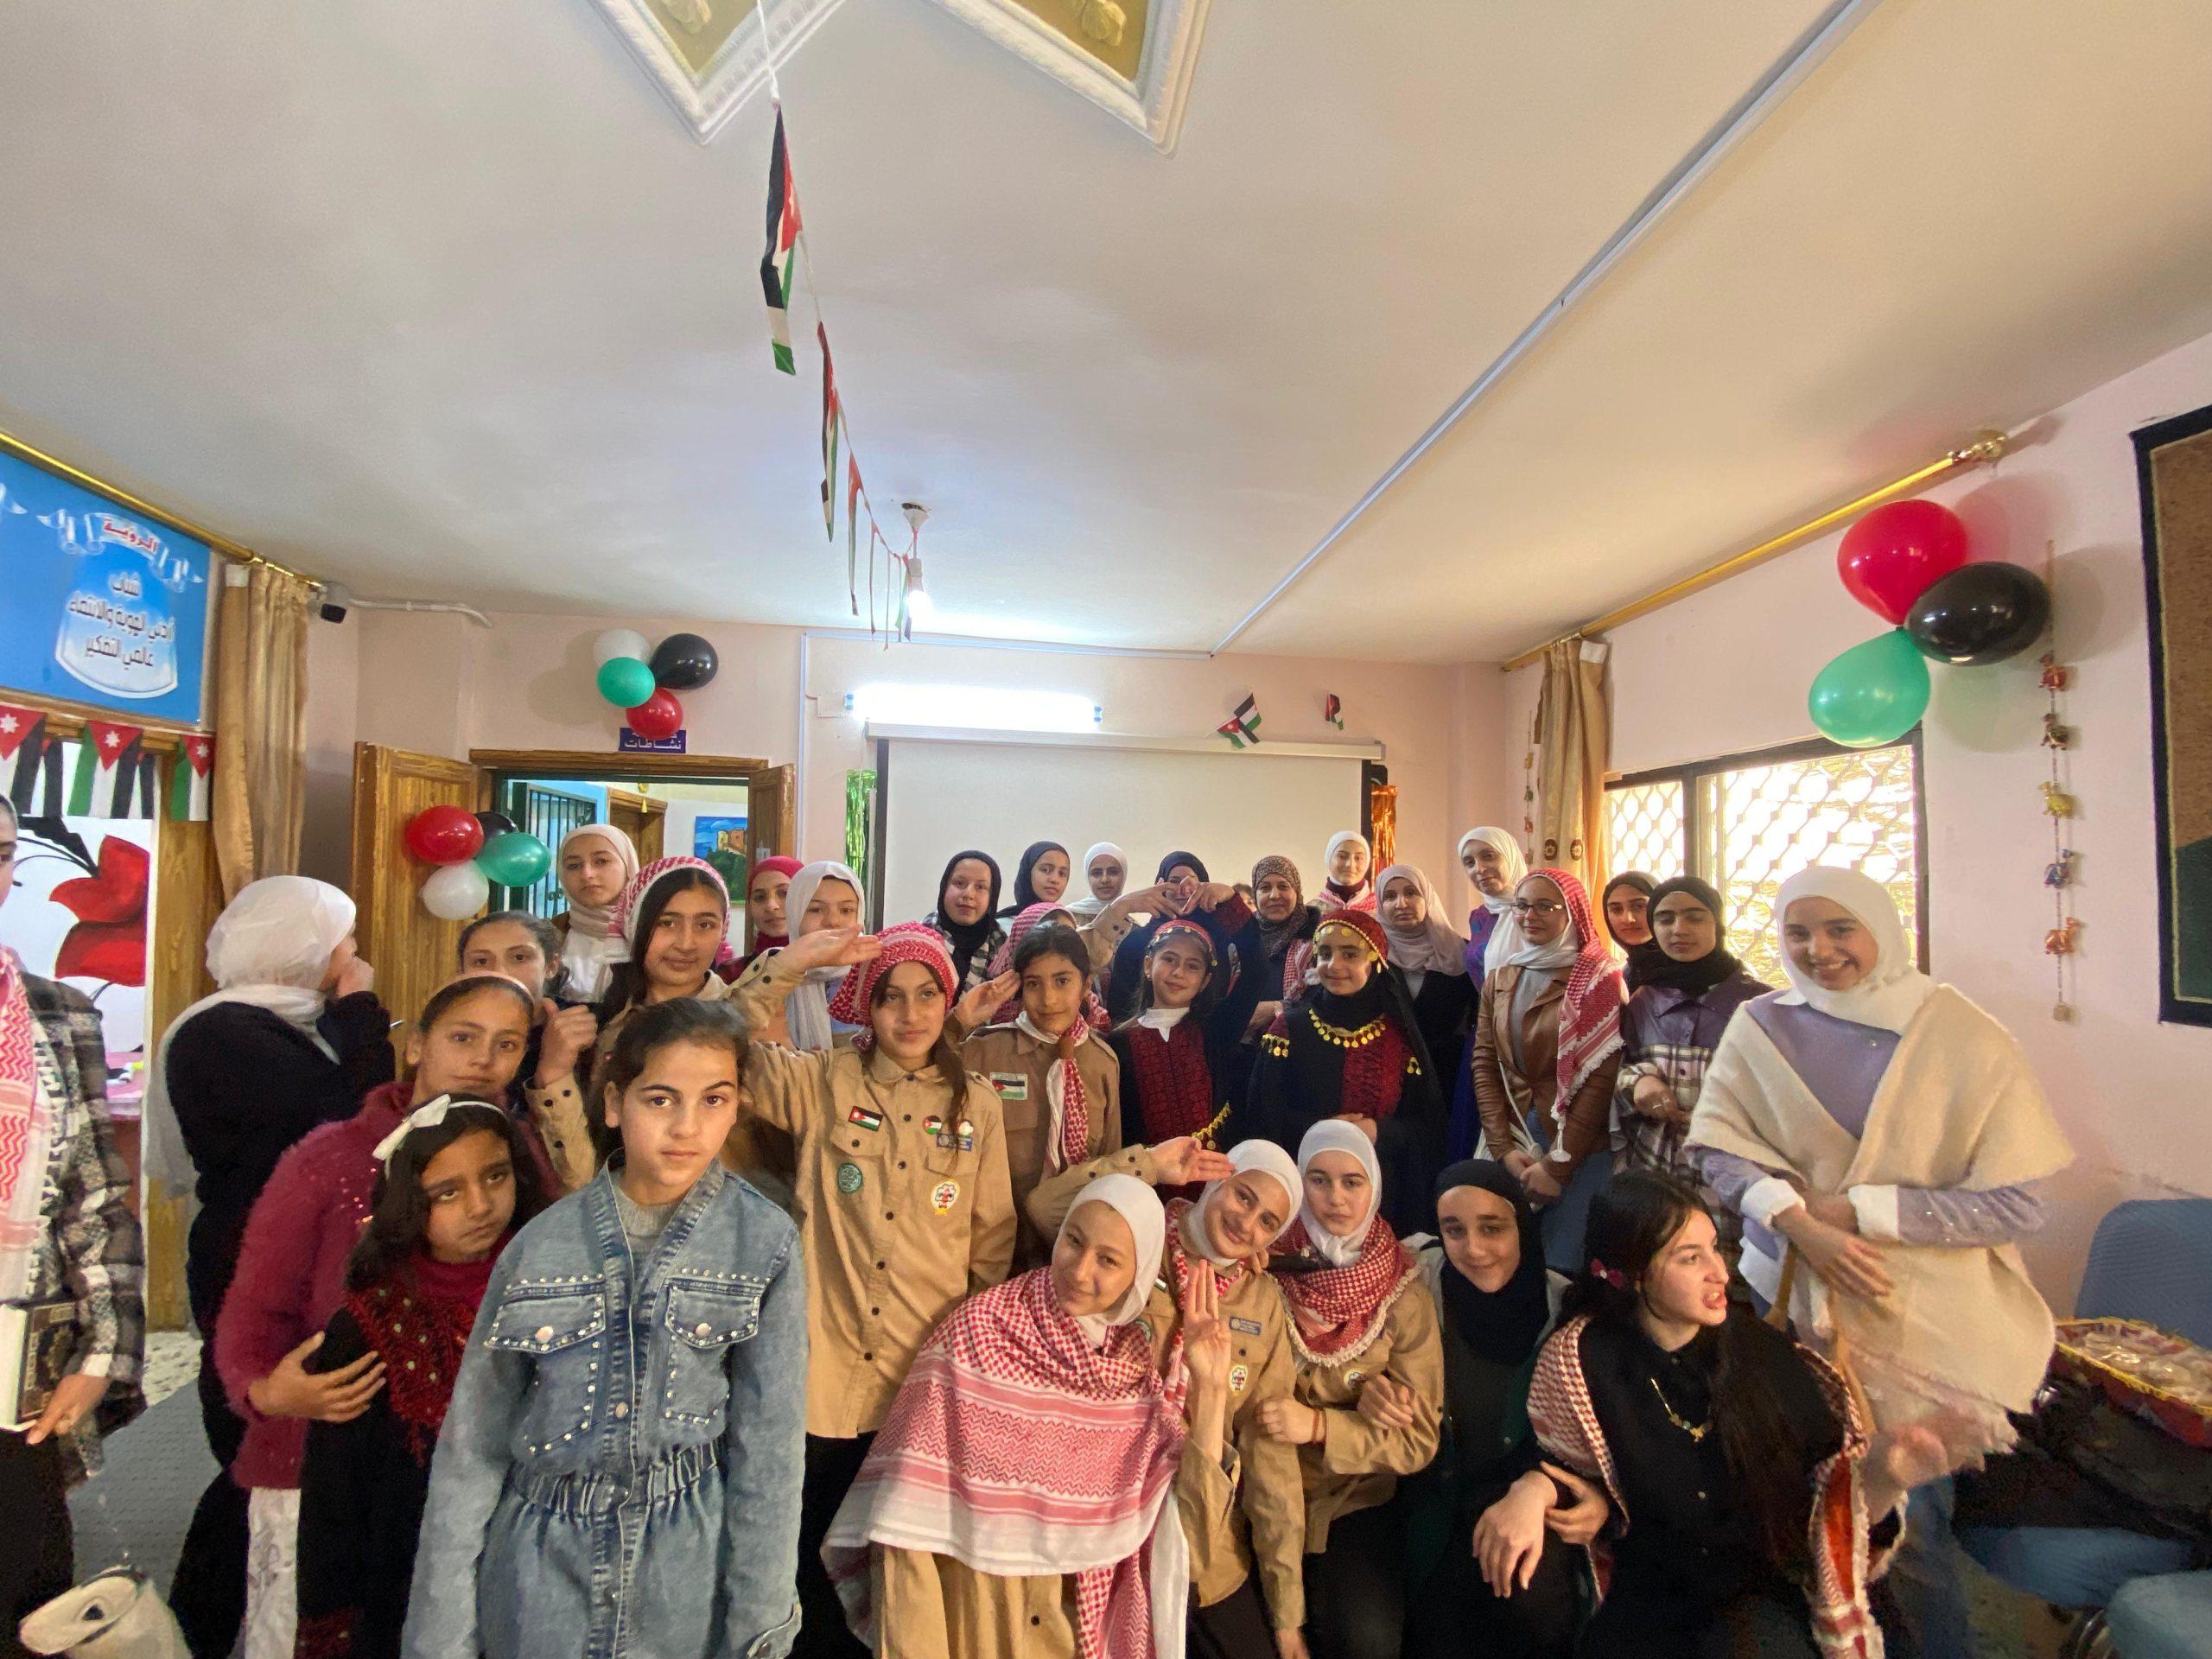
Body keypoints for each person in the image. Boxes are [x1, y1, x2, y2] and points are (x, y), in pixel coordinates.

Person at [1686, 864, 2074, 1655]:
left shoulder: (1959, 1034)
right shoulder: (1761, 1025)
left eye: (1840, 929)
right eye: (1798, 932)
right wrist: (1799, 1222)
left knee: (1907, 1536)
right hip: (1793, 1309)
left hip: (1923, 1327)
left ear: (1883, 931)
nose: (1818, 950)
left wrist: (1858, 1212)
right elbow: (1717, 1149)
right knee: (1806, 1508)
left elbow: (2017, 1205)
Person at [404, 999, 807, 1659]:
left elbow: (770, 1452)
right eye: (660, 1099)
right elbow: (472, 1450)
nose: (686, 1126)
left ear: (738, 1105)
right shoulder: (538, 1246)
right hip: (539, 1582)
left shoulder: (765, 1242)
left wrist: (760, 1628)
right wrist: (439, 1638)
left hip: (684, 1580)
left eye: (713, 1100)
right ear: (616, 1103)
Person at [218, 975, 535, 1659]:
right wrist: (270, 1392)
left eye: (507, 1044)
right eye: (464, 1037)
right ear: (417, 1045)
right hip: (318, 1468)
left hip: (478, 1497)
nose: (483, 1060)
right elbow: (252, 1315)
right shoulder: (328, 1159)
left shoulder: (516, 1158)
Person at [728, 922, 1019, 1658]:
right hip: (821, 1375)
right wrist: (790, 965)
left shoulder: (977, 1105)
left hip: (914, 1383)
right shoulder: (824, 1080)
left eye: (927, 995)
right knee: (800, 1551)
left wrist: (964, 1368)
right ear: (867, 1004)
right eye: (892, 997)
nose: (911, 1014)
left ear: (947, 1001)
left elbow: (990, 1241)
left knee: (891, 1566)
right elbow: (723, 1045)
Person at [1527, 1171, 1949, 1659]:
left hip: (1762, 1592)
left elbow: (1831, 1499)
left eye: (1714, 1248)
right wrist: (1537, 1489)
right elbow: (1565, 1465)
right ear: (1635, 1273)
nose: (1721, 1272)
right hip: (1650, 1598)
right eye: (1690, 1258)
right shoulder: (1581, 1360)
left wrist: (1884, 1478)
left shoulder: (1764, 1356)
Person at [822, 1173, 1246, 1659]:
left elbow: (1190, 1543)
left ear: (1139, 1274)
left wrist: (1211, 1389)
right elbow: (905, 1535)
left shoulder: (1132, 1376)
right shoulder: (978, 1335)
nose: (1080, 1271)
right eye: (1074, 1241)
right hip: (980, 1632)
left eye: (1108, 1260)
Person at [146, 874, 394, 1659]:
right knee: (254, 1454)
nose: (353, 953)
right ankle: (192, 1630)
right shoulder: (225, 1033)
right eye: (342, 938)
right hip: (250, 1259)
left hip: (300, 1253)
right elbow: (349, 1118)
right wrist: (361, 1010)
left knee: (292, 1457)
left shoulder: (284, 1023)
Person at [1027, 1141, 1309, 1659]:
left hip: (1205, 1542)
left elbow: (1271, 1461)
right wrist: (1151, 1167)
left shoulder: (1262, 1302)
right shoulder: (1140, 1234)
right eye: (1243, 1197)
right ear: (1216, 1179)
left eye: (1268, 1222)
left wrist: (1287, 1615)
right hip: (1105, 1523)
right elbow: (1046, 1209)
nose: (1247, 1224)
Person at [292, 1099, 549, 1659]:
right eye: (447, 1193)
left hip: (543, 1581)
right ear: (411, 1203)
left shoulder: (557, 1292)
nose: (481, 1206)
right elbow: (335, 1499)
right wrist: (332, 1627)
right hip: (411, 1587)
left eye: (496, 1176)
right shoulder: (371, 1326)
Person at [0, 796, 144, 1657]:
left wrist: (101, 1356)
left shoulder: (54, 1013)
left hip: (16, 1372)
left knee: (24, 1606)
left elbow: (93, 1198)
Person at [1260, 1122, 1443, 1659]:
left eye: (1352, 1182)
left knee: (1365, 1642)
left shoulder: (1402, 1292)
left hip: (1350, 1497)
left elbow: (1417, 1440)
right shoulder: (1263, 1261)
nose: (1335, 1198)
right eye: (1318, 1180)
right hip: (1260, 1487)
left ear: (1375, 1187)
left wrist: (1320, 1426)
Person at [1400, 1160, 1592, 1659]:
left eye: (1492, 1228)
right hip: (1434, 1506)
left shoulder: (1566, 1309)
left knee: (1528, 1602)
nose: (1474, 1249)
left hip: (1525, 1505)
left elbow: (1595, 1436)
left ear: (1522, 1226)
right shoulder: (1418, 1284)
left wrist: (1546, 1489)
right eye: (1454, 1231)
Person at [1245, 911, 1443, 1235]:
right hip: (1301, 1193)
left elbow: (1424, 1126)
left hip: (1382, 1199)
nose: (1333, 965)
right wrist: (1323, 1131)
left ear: (1374, 961)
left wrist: (1377, 1131)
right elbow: (1263, 1117)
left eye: (1349, 954)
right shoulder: (1289, 1029)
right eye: (1325, 953)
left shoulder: (1398, 1037)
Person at [1469, 869, 1624, 1272]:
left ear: (1571, 913)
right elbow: (1485, 1062)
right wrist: (1502, 1148)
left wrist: (1558, 1166)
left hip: (1578, 1148)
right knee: (1503, 1263)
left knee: (1561, 1267)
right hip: (1515, 1137)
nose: (1529, 916)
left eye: (1545, 906)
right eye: (1521, 906)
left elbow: (1599, 1080)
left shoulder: (1597, 979)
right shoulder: (1501, 977)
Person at [960, 921, 1122, 1264]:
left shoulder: (1102, 1063)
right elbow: (921, 1079)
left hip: (1070, 1257)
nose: (1048, 999)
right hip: (992, 1250)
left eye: (1062, 981)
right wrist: (959, 1021)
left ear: (1086, 985)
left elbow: (1110, 1163)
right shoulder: (985, 1051)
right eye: (1034, 984)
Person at [1614, 878, 1770, 1217]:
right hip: (1656, 1166)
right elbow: (1619, 1069)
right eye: (1665, 918)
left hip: (1733, 1170)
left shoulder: (1759, 1005)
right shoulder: (1643, 1000)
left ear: (1718, 923)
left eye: (1695, 917)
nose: (1678, 929)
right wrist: (1638, 1081)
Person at [1109, 919, 1255, 1199]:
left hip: (1216, 1179)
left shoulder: (1216, 1029)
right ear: (1148, 965)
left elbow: (1256, 971)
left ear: (1205, 981)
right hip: (1147, 1187)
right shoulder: (1117, 1044)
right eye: (1169, 960)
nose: (1178, 973)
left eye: (1192, 966)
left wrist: (1227, 906)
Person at [454, 911, 595, 1196]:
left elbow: (587, 1179)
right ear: (463, 973)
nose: (500, 972)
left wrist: (553, 1073)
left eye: (519, 957)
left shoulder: (588, 1029)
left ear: (551, 965)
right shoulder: (451, 1039)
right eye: (481, 961)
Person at [1446, 828, 1529, 1161]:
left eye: (1489, 856)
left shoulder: (1537, 911)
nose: (1479, 868)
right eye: (1469, 862)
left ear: (1510, 856)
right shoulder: (1479, 918)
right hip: (1485, 1033)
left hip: (1531, 1038)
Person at [1375, 864, 1473, 1100]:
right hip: (1389, 1078)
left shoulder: (1460, 952)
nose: (1401, 903)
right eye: (1390, 896)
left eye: (1411, 893)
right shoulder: (1371, 955)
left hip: (1449, 1076)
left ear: (1427, 897)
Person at [548, 823, 639, 1003]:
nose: (587, 874)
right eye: (573, 865)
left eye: (601, 861)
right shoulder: (548, 935)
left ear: (628, 866)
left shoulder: (653, 933)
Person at [925, 850, 1007, 996]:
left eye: (980, 887)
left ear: (992, 898)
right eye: (959, 883)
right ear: (944, 888)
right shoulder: (917, 942)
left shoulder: (1004, 951)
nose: (968, 894)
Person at [1599, 873, 1665, 994]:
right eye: (1616, 909)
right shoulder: (1624, 974)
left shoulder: (1685, 973)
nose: (1627, 919)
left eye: (1638, 906)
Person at [741, 853, 807, 971]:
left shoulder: (833, 972)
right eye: (760, 897)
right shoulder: (733, 974)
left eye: (785, 893)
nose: (771, 906)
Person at [1001, 840, 1073, 915]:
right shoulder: (1003, 922)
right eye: (1046, 870)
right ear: (1028, 872)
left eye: (1062, 874)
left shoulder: (1066, 920)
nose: (1055, 879)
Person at [1316, 834, 1375, 916]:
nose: (1350, 865)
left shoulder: (1380, 911)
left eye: (1358, 858)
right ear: (1329, 859)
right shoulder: (1312, 912)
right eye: (1342, 856)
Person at [1071, 842, 1129, 920]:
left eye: (1113, 872)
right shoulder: (1067, 918)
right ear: (1087, 877)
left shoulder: (1131, 925)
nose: (1105, 880)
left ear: (1124, 875)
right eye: (1097, 873)